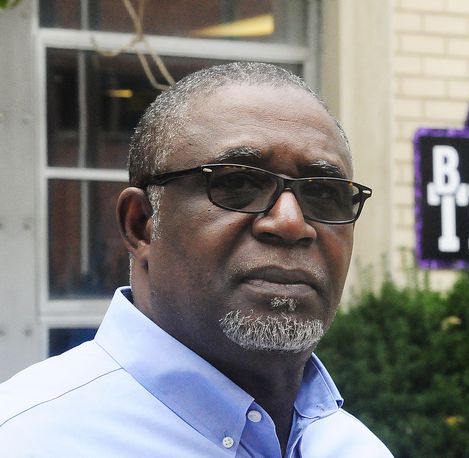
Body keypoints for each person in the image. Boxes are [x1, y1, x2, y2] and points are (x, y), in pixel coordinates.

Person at [0, 62, 391, 457]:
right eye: (236, 182)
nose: (291, 223)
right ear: (141, 224)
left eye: (324, 192)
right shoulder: (27, 438)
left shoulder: (355, 448)